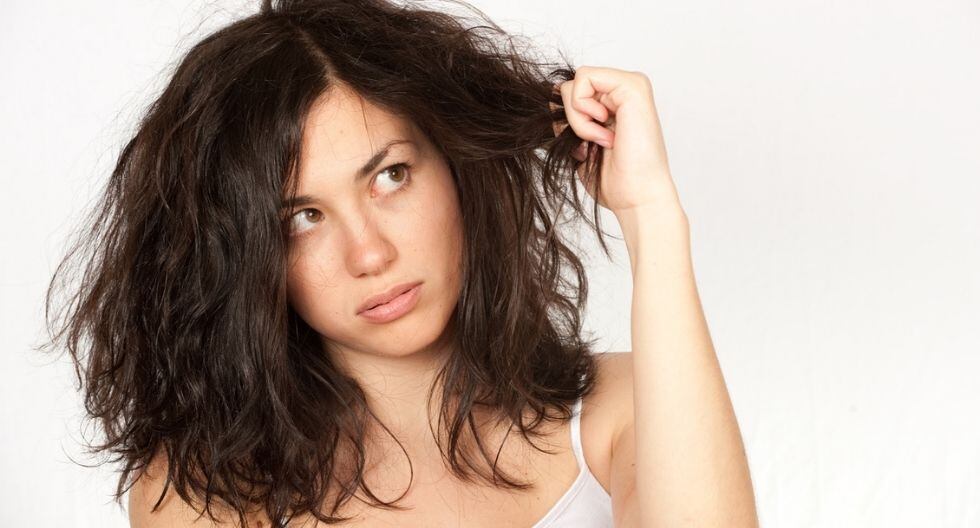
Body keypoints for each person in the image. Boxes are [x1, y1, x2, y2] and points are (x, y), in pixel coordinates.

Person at [38, 0, 758, 526]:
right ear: (242, 258)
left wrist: (651, 215)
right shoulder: (202, 495)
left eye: (391, 176)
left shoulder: (621, 410)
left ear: (455, 163)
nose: (370, 253)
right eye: (302, 218)